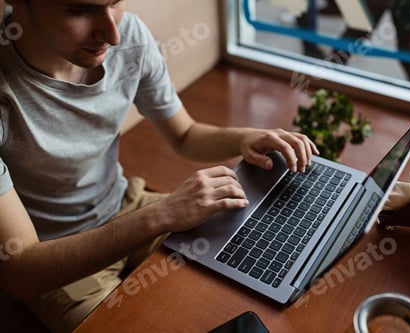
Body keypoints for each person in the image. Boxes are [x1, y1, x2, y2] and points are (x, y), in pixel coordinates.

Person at [0, 1, 318, 332]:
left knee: (254, 268)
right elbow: (20, 271)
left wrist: (245, 137)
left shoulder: (130, 36)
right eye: (80, 10)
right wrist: (163, 214)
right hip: (57, 258)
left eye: (115, 2)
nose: (112, 34)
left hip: (125, 205)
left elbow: (185, 135)